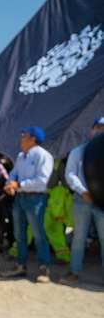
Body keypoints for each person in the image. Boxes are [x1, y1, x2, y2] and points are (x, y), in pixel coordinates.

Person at [2, 127, 54, 282]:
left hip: (35, 199)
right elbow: (13, 174)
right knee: (19, 234)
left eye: (23, 135)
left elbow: (41, 181)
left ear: (32, 138)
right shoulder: (20, 156)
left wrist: (17, 185)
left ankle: (44, 269)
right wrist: (9, 184)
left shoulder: (43, 155)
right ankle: (20, 266)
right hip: (20, 198)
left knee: (38, 235)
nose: (21, 137)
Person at [63, 117, 104, 283]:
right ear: (91, 130)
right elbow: (70, 174)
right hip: (82, 200)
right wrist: (84, 191)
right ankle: (74, 271)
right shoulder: (78, 151)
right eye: (98, 127)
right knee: (78, 238)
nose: (101, 130)